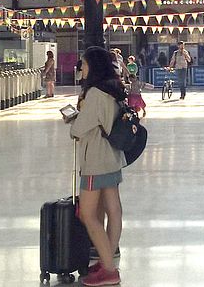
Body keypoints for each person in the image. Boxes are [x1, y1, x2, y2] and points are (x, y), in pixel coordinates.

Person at [67, 46, 125, 287]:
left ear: (94, 66)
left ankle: (109, 271)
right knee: (114, 210)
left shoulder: (95, 94)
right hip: (112, 157)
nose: (81, 68)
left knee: (89, 215)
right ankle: (107, 257)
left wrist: (73, 122)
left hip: (95, 161)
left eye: (84, 64)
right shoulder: (113, 89)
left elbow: (79, 130)